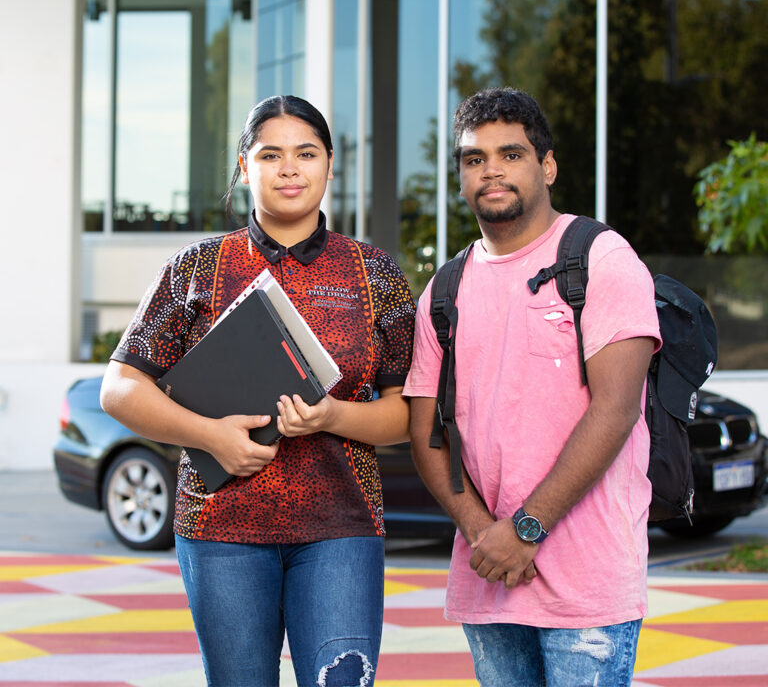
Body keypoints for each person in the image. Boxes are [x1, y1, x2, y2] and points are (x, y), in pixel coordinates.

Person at [100, 95, 416, 687]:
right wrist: (209, 435)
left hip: (342, 526)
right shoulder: (195, 268)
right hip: (222, 530)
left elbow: (405, 416)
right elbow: (118, 388)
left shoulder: (375, 272)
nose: (290, 168)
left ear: (329, 165)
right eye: (271, 154)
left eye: (306, 153)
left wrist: (331, 416)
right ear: (246, 167)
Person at [403, 87, 660, 686]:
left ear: (546, 165)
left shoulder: (600, 258)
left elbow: (616, 411)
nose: (490, 169)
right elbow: (426, 432)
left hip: (587, 583)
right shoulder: (444, 291)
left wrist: (525, 531)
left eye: (510, 154)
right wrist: (480, 534)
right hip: (489, 576)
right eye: (473, 159)